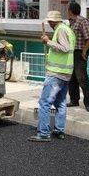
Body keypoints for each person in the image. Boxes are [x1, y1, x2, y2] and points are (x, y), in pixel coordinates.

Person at [29, 10, 76, 142]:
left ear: (53, 21)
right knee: (60, 103)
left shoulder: (60, 30)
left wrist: (48, 41)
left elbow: (65, 48)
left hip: (56, 73)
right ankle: (59, 130)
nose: (49, 23)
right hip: (65, 73)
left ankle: (43, 133)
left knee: (44, 102)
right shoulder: (68, 30)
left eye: (50, 21)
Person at [67, 1, 89, 112]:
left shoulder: (82, 21)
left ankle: (88, 102)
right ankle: (74, 100)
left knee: (82, 78)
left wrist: (84, 50)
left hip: (80, 52)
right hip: (71, 52)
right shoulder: (71, 22)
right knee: (72, 77)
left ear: (70, 11)